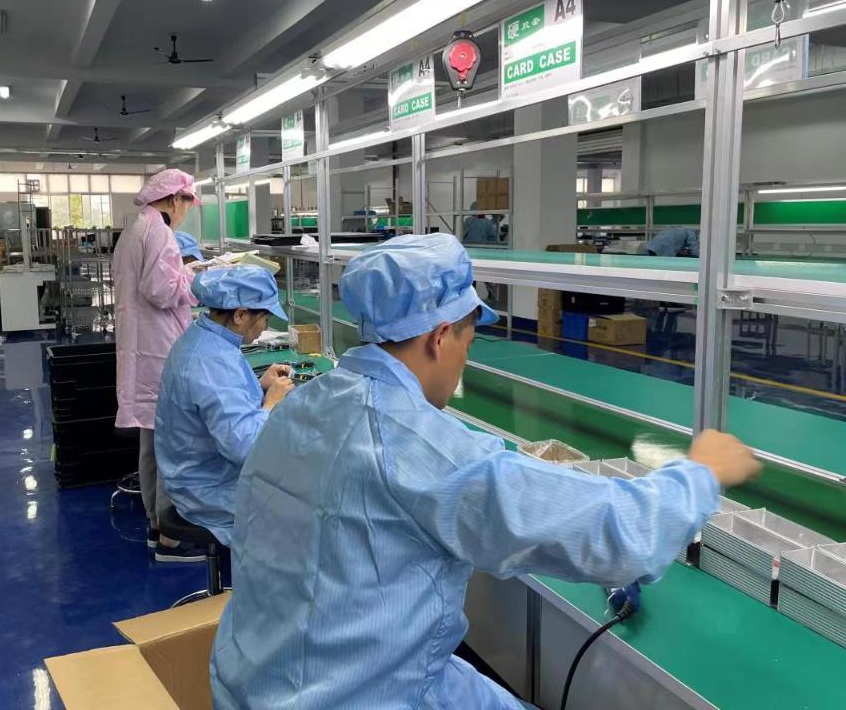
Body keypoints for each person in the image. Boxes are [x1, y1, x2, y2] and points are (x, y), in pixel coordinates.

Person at [210, 233, 760, 709]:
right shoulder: (419, 447)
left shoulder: (303, 404)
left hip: (256, 678)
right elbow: (621, 535)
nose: (464, 360)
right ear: (439, 337)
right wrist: (701, 473)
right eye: (468, 342)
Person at [156, 266, 295, 546]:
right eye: (265, 318)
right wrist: (271, 403)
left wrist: (259, 385)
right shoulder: (211, 361)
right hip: (210, 492)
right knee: (309, 494)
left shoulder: (205, 337)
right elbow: (245, 448)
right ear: (240, 315)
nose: (264, 328)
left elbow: (218, 400)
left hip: (192, 474)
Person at [113, 168, 204, 563]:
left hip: (142, 349)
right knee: (173, 445)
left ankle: (155, 523)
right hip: (160, 349)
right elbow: (161, 291)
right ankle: (172, 540)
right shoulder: (160, 231)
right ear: (172, 199)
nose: (187, 210)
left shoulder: (135, 229)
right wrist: (196, 279)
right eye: (187, 203)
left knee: (151, 444)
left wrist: (183, 272)